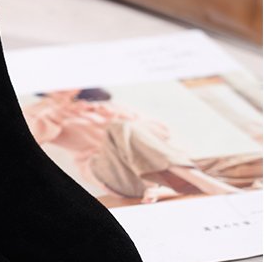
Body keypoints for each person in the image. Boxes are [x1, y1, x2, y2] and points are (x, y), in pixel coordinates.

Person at [24, 87, 243, 204]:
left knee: (122, 126)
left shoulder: (105, 104)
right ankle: (205, 183)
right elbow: (29, 141)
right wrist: (56, 115)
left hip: (160, 172)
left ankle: (159, 185)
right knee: (119, 128)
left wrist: (119, 117)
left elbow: (161, 133)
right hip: (112, 173)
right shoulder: (35, 111)